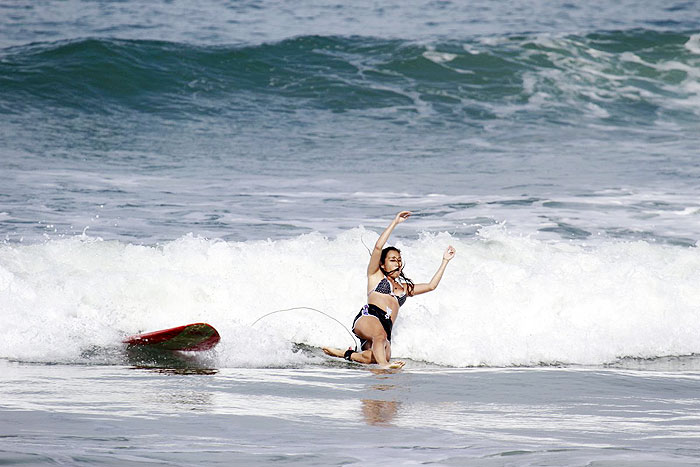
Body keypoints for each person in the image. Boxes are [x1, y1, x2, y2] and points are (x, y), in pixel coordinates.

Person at [323, 211, 456, 368]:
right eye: (392, 260)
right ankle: (384, 366)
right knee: (380, 339)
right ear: (382, 264)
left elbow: (431, 286)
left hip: (386, 328)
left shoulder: (405, 288)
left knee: (372, 357)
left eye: (399, 260)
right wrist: (395, 222)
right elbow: (378, 247)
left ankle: (344, 354)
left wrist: (445, 261)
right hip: (370, 317)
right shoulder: (375, 276)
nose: (397, 263)